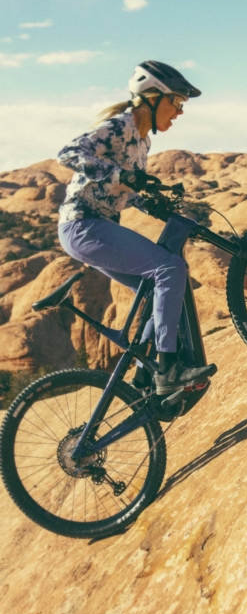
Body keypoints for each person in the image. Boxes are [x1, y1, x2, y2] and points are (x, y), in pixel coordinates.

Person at [57, 60, 217, 395]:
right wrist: (121, 175)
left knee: (152, 290)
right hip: (83, 226)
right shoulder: (121, 126)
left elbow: (122, 191)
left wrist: (151, 200)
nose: (180, 111)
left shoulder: (143, 141)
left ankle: (145, 377)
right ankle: (168, 366)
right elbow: (69, 153)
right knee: (169, 267)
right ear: (152, 97)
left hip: (95, 226)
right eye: (176, 101)